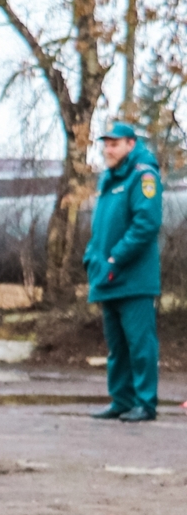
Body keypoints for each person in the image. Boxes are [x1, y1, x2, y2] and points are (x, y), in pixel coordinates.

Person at [86, 121, 163, 424]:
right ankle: (122, 400)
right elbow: (101, 228)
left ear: (131, 144)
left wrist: (116, 258)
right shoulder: (109, 179)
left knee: (140, 344)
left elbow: (146, 224)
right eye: (106, 144)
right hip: (108, 278)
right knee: (117, 347)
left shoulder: (143, 176)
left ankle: (145, 403)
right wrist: (91, 258)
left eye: (115, 144)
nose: (108, 149)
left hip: (134, 279)